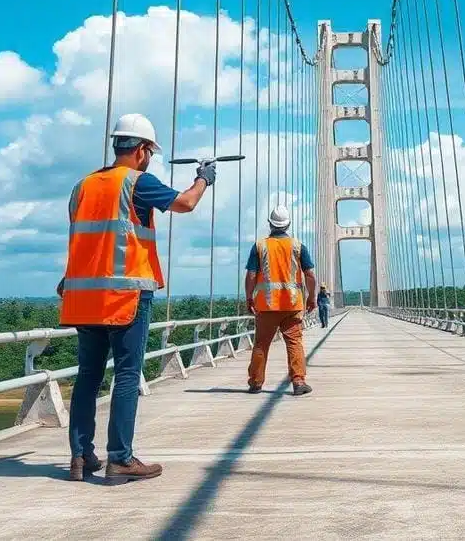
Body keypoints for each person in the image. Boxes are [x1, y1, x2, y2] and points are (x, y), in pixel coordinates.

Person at [56, 113, 216, 483]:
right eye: (151, 153)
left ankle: (80, 457)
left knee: (88, 377)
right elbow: (186, 203)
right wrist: (203, 179)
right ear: (142, 150)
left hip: (83, 297)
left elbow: (85, 239)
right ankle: (120, 459)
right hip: (125, 295)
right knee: (127, 375)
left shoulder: (83, 186)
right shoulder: (137, 183)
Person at [244, 205, 317, 396]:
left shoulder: (260, 246)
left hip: (266, 305)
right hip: (292, 305)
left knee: (261, 344)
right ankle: (299, 381)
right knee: (294, 343)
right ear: (288, 224)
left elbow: (251, 275)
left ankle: (256, 382)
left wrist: (248, 298)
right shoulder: (298, 246)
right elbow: (310, 275)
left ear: (270, 223)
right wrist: (312, 298)